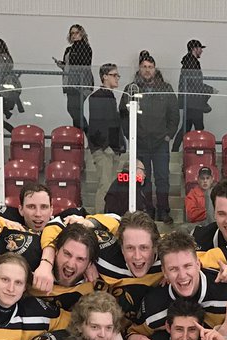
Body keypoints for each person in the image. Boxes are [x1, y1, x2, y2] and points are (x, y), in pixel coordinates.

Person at [120, 53, 178, 223]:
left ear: (155, 69)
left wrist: (169, 135)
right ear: (139, 68)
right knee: (143, 178)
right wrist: (130, 136)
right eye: (144, 67)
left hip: (161, 142)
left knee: (162, 178)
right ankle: (147, 210)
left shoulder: (166, 89)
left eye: (150, 67)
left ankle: (163, 210)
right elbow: (123, 114)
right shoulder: (131, 88)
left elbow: (174, 114)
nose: (147, 70)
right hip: (140, 142)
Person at [87, 63, 124, 215]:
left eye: (117, 75)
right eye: (114, 75)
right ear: (104, 76)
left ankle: (108, 215)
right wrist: (105, 145)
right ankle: (99, 217)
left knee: (110, 185)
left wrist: (120, 145)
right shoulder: (97, 97)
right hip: (103, 149)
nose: (117, 78)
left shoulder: (110, 97)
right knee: (105, 184)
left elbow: (112, 124)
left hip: (113, 148)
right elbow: (96, 125)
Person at [174, 39, 212, 150]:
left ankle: (176, 149)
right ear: (194, 49)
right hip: (194, 101)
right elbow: (195, 83)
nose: (201, 51)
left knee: (186, 127)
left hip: (189, 101)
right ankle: (200, 149)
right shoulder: (192, 62)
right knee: (198, 127)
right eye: (200, 48)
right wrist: (209, 89)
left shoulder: (188, 61)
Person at [55, 23, 93, 130]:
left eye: (76, 33)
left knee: (74, 110)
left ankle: (89, 136)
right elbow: (69, 66)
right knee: (74, 110)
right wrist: (62, 65)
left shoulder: (85, 48)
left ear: (81, 33)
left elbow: (82, 65)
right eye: (72, 33)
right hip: (70, 83)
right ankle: (79, 136)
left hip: (81, 83)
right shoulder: (69, 49)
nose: (74, 35)